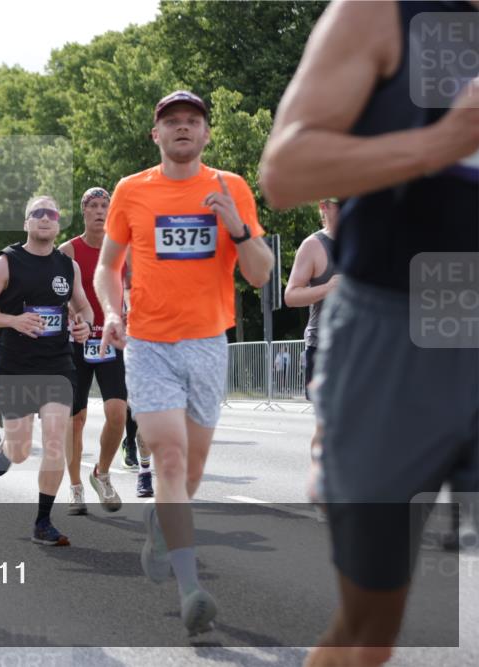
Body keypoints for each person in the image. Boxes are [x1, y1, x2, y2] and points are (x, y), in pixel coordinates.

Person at [259, 2, 479, 664]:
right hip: (396, 326)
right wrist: (445, 141)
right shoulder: (381, 13)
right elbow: (286, 170)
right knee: (370, 629)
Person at [96, 90, 272, 635]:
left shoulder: (231, 188)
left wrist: (236, 227)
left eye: (192, 121)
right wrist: (110, 310)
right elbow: (108, 267)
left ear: (206, 133)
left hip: (206, 344)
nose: (182, 129)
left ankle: (158, 526)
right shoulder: (132, 190)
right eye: (171, 122)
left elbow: (263, 275)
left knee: (190, 473)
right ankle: (191, 587)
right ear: (156, 135)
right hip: (148, 343)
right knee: (169, 460)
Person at [0, 194, 94, 546]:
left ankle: (43, 521)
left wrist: (83, 324)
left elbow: (83, 308)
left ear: (58, 223)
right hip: (16, 366)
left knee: (56, 440)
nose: (44, 218)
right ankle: (7, 448)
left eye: (50, 213)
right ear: (26, 223)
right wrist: (14, 321)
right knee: (22, 450)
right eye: (36, 213)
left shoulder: (68, 266)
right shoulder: (7, 262)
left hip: (58, 364)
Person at [59, 186, 129, 516]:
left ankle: (101, 473)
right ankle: (74, 488)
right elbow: (55, 294)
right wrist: (72, 317)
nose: (101, 211)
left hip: (110, 342)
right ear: (84, 211)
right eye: (94, 206)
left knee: (117, 413)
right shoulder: (67, 251)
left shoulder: (121, 249)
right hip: (76, 343)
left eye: (106, 206)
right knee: (76, 419)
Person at [284, 197, 341, 500]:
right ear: (324, 206)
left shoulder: (367, 241)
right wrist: (327, 288)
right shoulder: (314, 246)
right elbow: (291, 295)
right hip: (324, 347)